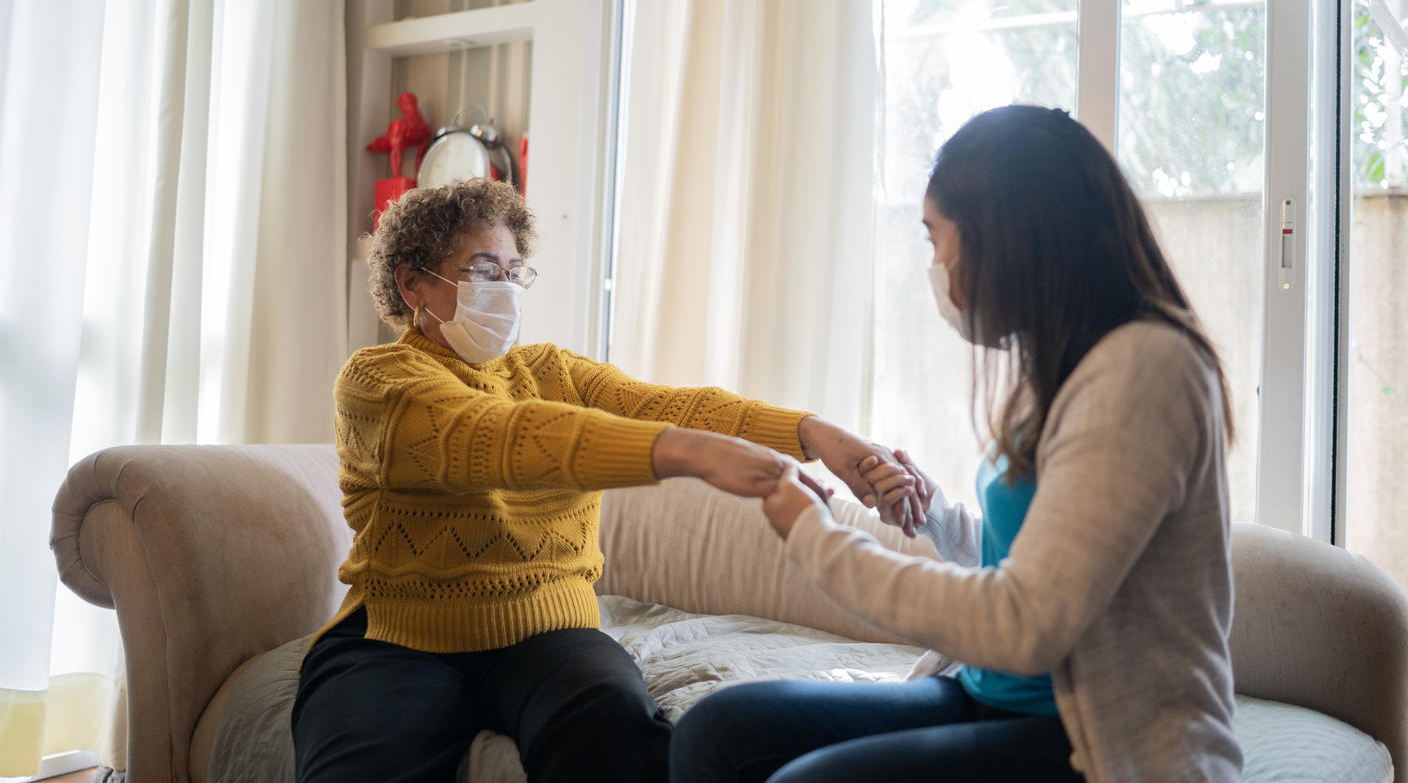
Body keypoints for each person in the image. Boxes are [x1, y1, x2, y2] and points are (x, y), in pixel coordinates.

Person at [670, 105, 1243, 783]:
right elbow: (1034, 559)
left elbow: (1027, 622)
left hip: (1095, 744)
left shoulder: (1144, 371)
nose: (936, 265)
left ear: (1005, 239)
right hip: (987, 697)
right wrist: (935, 514)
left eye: (936, 238)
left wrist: (818, 539)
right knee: (718, 732)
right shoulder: (1060, 363)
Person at [290, 178, 916, 783]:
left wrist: (814, 433)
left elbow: (675, 406)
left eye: (514, 273)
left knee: (618, 739)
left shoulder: (552, 370)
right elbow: (495, 436)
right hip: (398, 637)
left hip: (550, 633)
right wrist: (689, 455)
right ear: (412, 282)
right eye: (482, 270)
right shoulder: (377, 381)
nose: (504, 289)